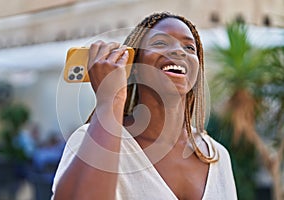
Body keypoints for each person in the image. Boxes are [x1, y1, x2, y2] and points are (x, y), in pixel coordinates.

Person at [52, 12, 237, 200]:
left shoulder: (216, 155)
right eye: (160, 43)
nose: (179, 51)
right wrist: (109, 101)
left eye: (189, 47)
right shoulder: (90, 139)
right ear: (134, 67)